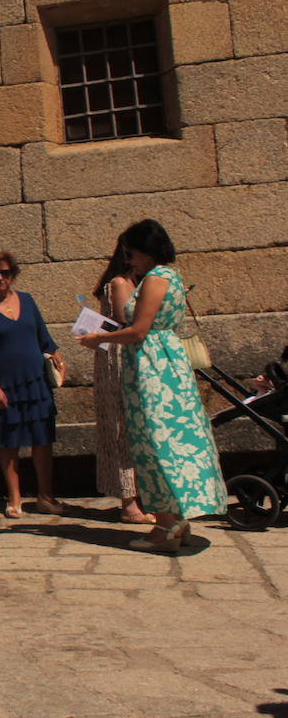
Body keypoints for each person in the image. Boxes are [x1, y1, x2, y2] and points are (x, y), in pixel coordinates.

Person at [78, 219, 227, 552]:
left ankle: (164, 528)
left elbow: (139, 330)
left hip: (152, 370)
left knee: (153, 445)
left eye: (130, 250)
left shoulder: (156, 280)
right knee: (165, 443)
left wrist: (97, 339)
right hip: (161, 365)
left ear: (144, 250)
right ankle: (174, 522)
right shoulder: (168, 278)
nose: (127, 256)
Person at [0, 250, 67, 519]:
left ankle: (45, 496)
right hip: (5, 384)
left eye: (5, 272)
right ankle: (15, 498)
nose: (0, 278)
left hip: (35, 380)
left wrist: (58, 357)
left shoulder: (27, 300)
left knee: (42, 439)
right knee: (7, 441)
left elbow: (44, 337)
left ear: (13, 274)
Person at [90, 241, 154, 524]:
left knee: (133, 429)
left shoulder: (130, 282)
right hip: (117, 360)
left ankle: (139, 497)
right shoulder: (118, 283)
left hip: (126, 358)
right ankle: (128, 502)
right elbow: (126, 320)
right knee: (121, 429)